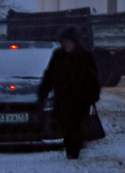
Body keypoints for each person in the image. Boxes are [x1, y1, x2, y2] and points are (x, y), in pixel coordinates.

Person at [36, 27, 100, 160]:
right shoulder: (58, 55)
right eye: (63, 42)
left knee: (76, 125)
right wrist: (43, 92)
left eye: (68, 41)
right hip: (63, 98)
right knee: (65, 125)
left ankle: (73, 152)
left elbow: (93, 78)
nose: (65, 44)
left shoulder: (85, 56)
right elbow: (50, 75)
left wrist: (93, 96)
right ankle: (70, 150)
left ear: (75, 42)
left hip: (80, 99)